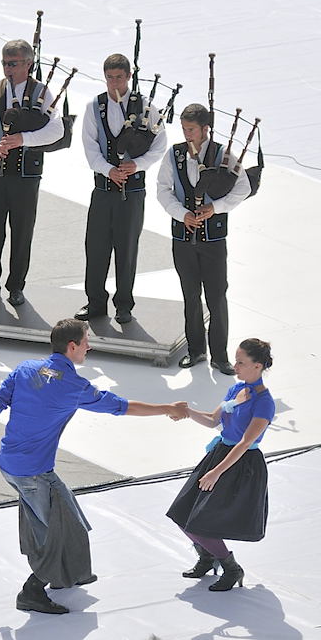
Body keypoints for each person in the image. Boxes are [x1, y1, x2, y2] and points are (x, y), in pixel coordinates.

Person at [0, 318, 187, 614]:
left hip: (10, 463)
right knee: (60, 529)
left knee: (61, 517)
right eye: (86, 340)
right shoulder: (73, 386)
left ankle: (62, 575)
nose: (90, 346)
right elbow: (122, 407)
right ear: (72, 346)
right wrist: (167, 408)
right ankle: (32, 591)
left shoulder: (24, 369)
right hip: (34, 472)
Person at [166, 338, 275, 592]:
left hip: (240, 464)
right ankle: (207, 557)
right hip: (219, 454)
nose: (235, 367)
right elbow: (213, 420)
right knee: (182, 513)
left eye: (241, 362)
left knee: (201, 521)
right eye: (236, 361)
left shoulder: (264, 402)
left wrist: (216, 472)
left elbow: (246, 442)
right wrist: (187, 410)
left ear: (257, 366)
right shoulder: (235, 390)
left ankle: (230, 566)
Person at [0, 39, 64, 307]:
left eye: (13, 63)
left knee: (22, 233)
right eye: (5, 63)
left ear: (28, 64)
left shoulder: (42, 92)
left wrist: (23, 139)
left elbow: (57, 130)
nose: (8, 69)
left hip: (26, 176)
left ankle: (16, 286)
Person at [155, 103, 250, 375]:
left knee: (217, 294)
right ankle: (196, 349)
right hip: (183, 236)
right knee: (190, 294)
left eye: (192, 130)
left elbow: (243, 187)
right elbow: (163, 190)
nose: (187, 134)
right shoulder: (175, 154)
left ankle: (220, 355)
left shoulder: (223, 153)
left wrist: (215, 208)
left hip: (213, 238)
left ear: (205, 129)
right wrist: (182, 214)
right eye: (184, 129)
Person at [77, 54, 167, 324]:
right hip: (103, 189)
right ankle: (95, 302)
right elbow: (90, 146)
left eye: (119, 77)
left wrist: (136, 165)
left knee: (127, 248)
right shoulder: (95, 106)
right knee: (96, 246)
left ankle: (124, 305)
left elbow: (159, 145)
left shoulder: (147, 106)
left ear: (128, 76)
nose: (114, 83)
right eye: (109, 77)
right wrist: (109, 170)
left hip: (133, 192)